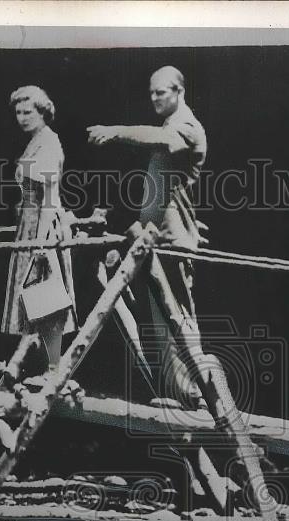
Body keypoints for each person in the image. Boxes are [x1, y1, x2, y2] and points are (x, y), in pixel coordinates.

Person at [87, 66, 208, 406]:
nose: (154, 98)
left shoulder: (186, 127)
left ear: (179, 91)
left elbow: (160, 139)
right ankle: (176, 391)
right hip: (158, 239)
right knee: (160, 315)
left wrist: (115, 131)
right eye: (151, 92)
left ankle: (190, 393)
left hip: (172, 241)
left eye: (161, 92)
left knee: (177, 315)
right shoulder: (173, 125)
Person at [1, 85, 76, 371]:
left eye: (28, 112)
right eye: (18, 112)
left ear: (42, 111)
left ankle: (52, 368)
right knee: (30, 296)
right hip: (29, 223)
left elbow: (50, 197)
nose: (22, 117)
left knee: (46, 295)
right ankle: (33, 366)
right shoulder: (34, 141)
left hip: (43, 225)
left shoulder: (49, 142)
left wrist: (42, 242)